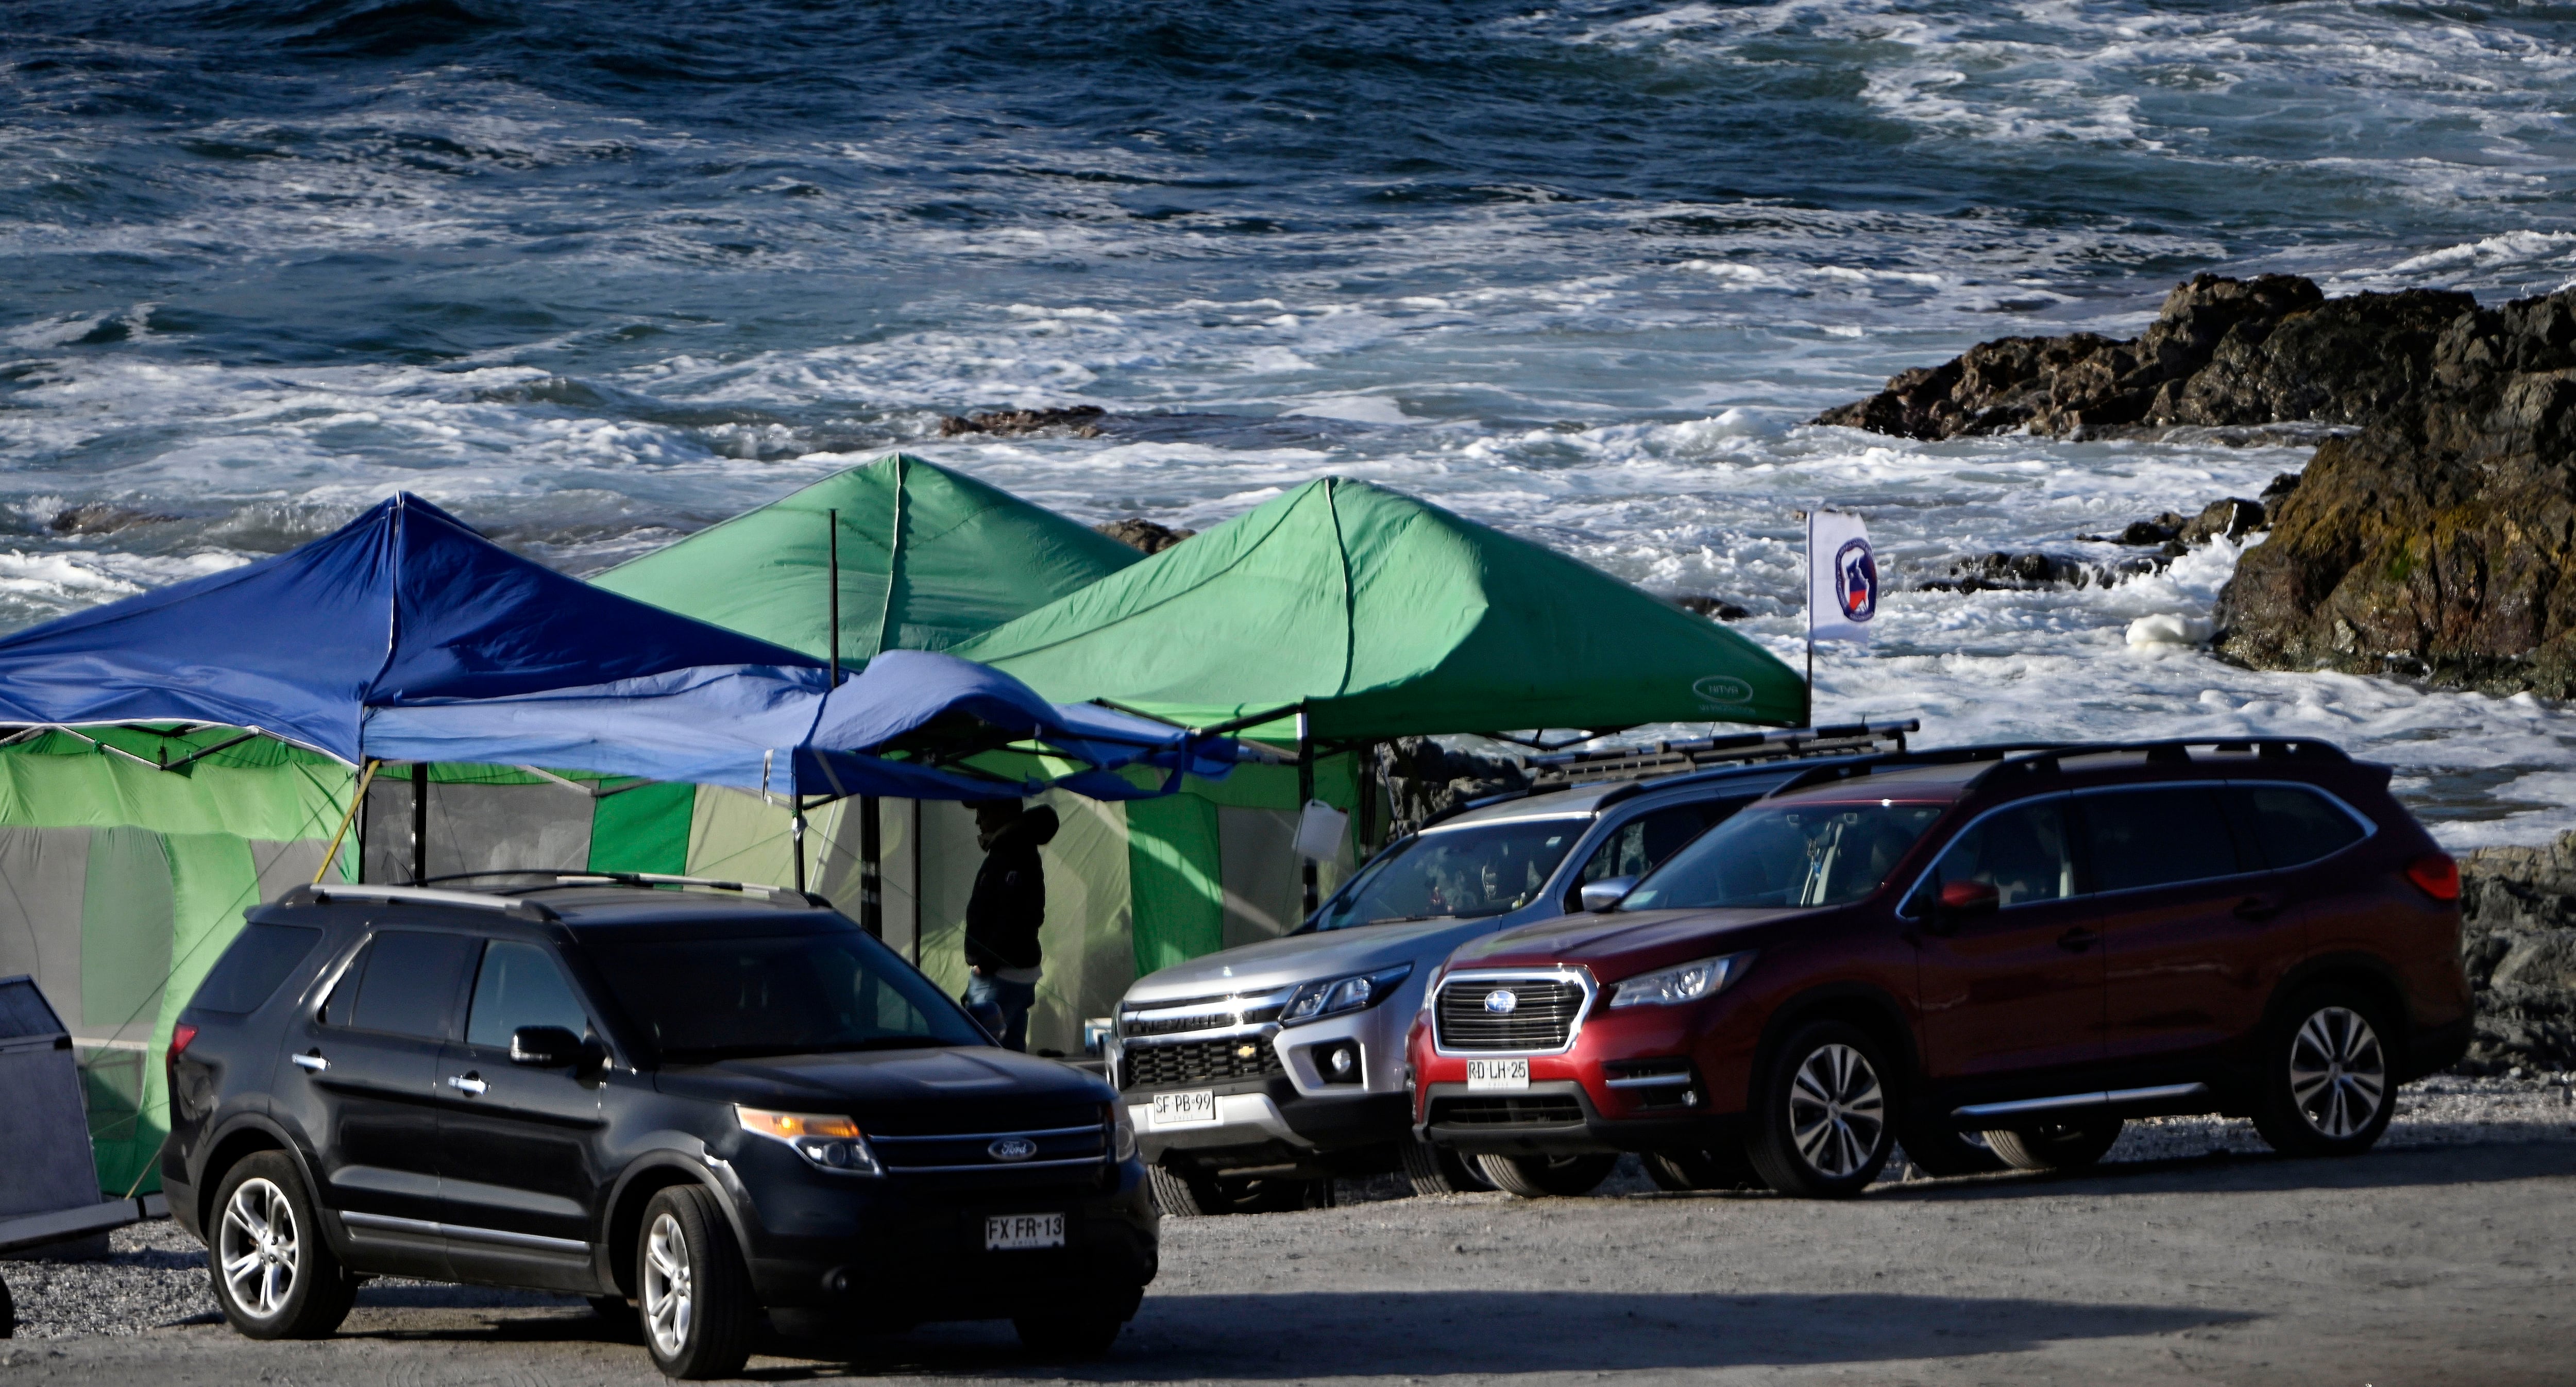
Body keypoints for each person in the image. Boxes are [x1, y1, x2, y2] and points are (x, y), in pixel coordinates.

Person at [961, 798, 1057, 1052]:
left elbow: (1016, 916)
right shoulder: (1016, 850)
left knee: (983, 1055)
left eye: (982, 811)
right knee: (1012, 1055)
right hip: (1015, 973)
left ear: (1003, 812)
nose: (977, 821)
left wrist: (986, 964)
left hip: (1000, 974)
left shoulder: (1012, 854)